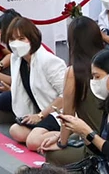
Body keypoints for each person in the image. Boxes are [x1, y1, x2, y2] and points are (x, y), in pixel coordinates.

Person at [40, 17, 105, 166]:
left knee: (51, 153)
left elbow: (68, 114)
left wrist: (62, 142)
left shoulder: (74, 72)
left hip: (96, 144)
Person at [3, 18, 68, 145]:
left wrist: (40, 116)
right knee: (16, 131)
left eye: (21, 39)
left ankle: (71, 135)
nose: (16, 43)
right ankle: (45, 136)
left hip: (58, 113)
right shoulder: (17, 59)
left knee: (32, 141)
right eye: (12, 39)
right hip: (38, 111)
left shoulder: (48, 61)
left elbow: (66, 95)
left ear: (32, 39)